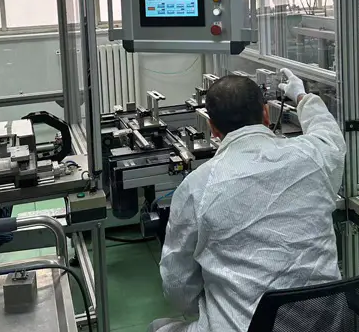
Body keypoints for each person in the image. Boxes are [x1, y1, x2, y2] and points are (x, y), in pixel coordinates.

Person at [148, 69, 346, 332]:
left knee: (157, 326)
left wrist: (207, 305)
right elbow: (329, 134)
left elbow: (177, 286)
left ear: (212, 128)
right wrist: (302, 96)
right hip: (326, 323)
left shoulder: (197, 187)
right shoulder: (312, 156)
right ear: (266, 114)